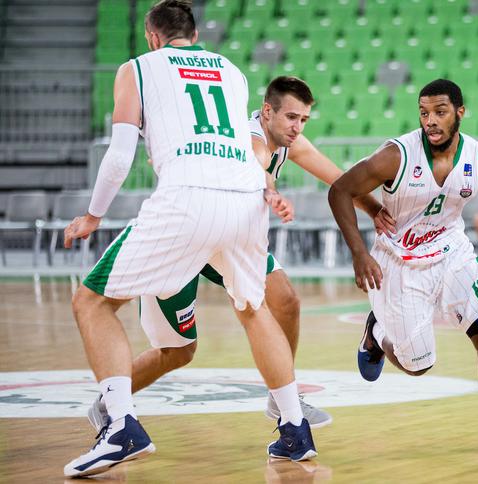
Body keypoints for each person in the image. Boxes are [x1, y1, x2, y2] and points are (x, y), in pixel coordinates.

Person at [62, 1, 316, 477]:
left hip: (186, 197)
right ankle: (295, 429)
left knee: (92, 302)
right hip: (244, 198)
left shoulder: (137, 68)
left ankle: (120, 425)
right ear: (194, 34)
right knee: (253, 309)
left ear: (152, 36)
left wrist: (94, 216)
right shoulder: (233, 72)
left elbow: (120, 156)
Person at [85, 76, 393, 433]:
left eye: (304, 120)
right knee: (180, 351)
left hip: (229, 238)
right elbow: (256, 165)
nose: (298, 127)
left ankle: (282, 397)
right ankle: (109, 401)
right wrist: (271, 193)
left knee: (287, 302)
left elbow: (339, 179)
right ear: (267, 111)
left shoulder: (289, 141)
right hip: (188, 235)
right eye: (292, 117)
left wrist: (374, 210)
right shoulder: (251, 137)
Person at [328, 79, 478, 454]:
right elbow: (341, 189)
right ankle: (378, 334)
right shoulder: (396, 155)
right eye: (424, 113)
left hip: (452, 251)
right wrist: (359, 252)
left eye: (440, 112)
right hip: (398, 262)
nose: (431, 121)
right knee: (418, 365)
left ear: (460, 112)